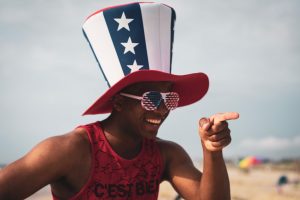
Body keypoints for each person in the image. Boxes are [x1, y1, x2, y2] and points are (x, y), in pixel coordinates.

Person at [0, 2, 239, 200]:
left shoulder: (165, 154)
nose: (163, 107)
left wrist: (212, 151)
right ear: (118, 101)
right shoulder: (68, 150)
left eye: (169, 97)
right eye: (151, 97)